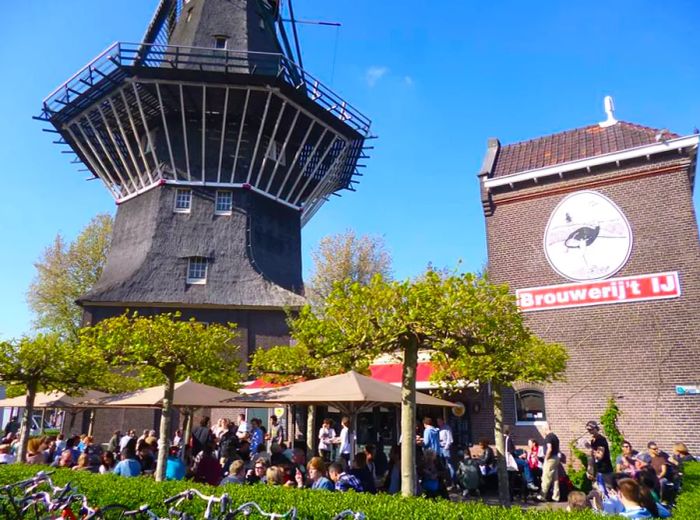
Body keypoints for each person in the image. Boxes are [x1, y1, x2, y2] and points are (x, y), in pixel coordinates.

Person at [537, 424, 560, 502]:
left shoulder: (548, 437)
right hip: (556, 458)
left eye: (543, 430)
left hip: (550, 459)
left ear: (545, 429)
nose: (543, 432)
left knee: (546, 477)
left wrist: (546, 459)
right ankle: (556, 496)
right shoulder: (555, 437)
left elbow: (549, 449)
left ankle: (542, 496)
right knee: (555, 478)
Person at [437, 418, 455, 486]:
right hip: (440, 448)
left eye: (440, 421)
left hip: (445, 448)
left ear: (443, 421)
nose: (438, 423)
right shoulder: (439, 429)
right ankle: (446, 481)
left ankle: (453, 482)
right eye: (438, 422)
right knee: (442, 465)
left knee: (449, 465)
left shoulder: (447, 428)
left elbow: (450, 439)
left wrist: (446, 447)